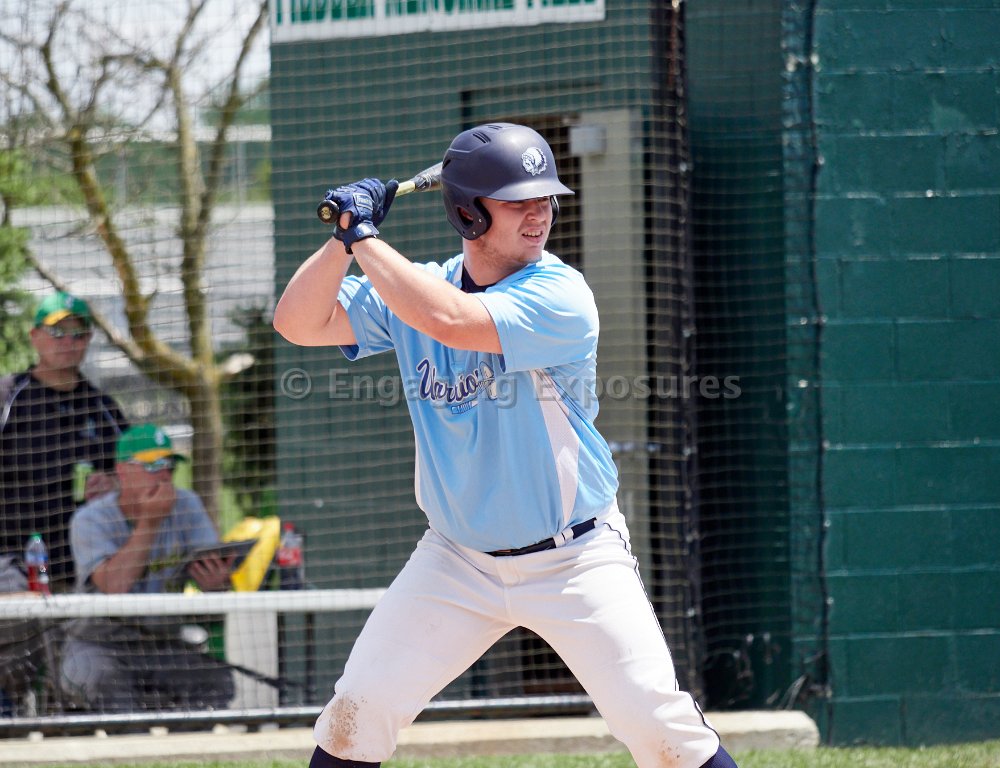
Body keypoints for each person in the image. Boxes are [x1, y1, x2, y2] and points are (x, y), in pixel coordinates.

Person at [273, 123, 739, 768]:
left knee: (659, 728)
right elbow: (297, 323)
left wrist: (366, 237)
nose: (539, 214)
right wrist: (341, 242)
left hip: (574, 558)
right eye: (518, 201)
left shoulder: (560, 294)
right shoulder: (416, 286)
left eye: (545, 199)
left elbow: (450, 320)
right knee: (356, 714)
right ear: (468, 212)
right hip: (456, 560)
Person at [59, 424, 236, 713]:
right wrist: (150, 522)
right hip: (97, 644)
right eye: (152, 465)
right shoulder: (90, 519)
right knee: (106, 682)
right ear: (122, 471)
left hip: (161, 643)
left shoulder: (187, 504)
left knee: (215, 681)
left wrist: (216, 583)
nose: (165, 474)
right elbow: (115, 586)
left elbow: (213, 578)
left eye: (169, 465)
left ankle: (185, 742)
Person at [0, 290, 129, 591]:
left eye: (78, 334)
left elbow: (135, 476)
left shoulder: (102, 407)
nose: (68, 342)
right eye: (57, 332)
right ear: (34, 336)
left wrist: (114, 484)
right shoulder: (8, 397)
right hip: (13, 565)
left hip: (86, 568)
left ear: (89, 339)